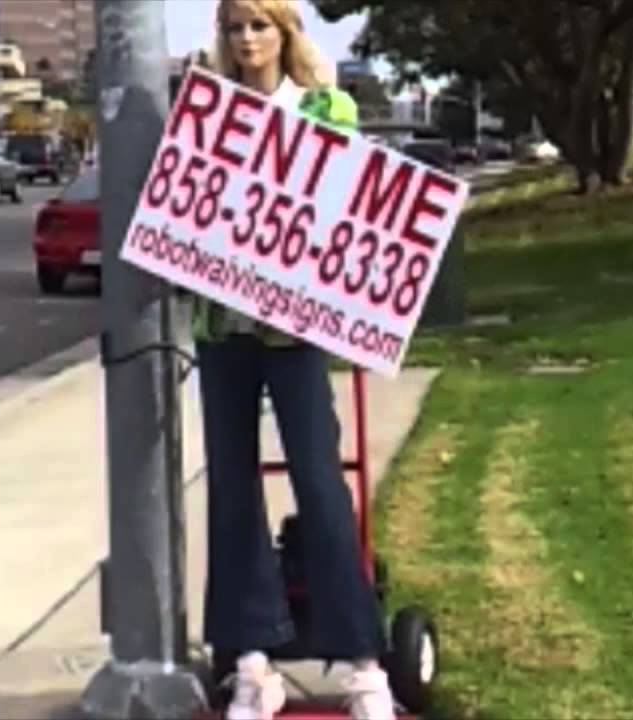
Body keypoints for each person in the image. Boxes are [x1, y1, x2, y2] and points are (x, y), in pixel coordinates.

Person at [191, 2, 397, 720]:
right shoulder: (208, 111)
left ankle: (363, 663)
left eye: (260, 26)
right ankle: (252, 662)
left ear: (285, 32)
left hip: (296, 332)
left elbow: (343, 213)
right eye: (235, 28)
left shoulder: (324, 106)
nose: (247, 41)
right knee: (232, 490)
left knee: (321, 482)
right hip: (223, 329)